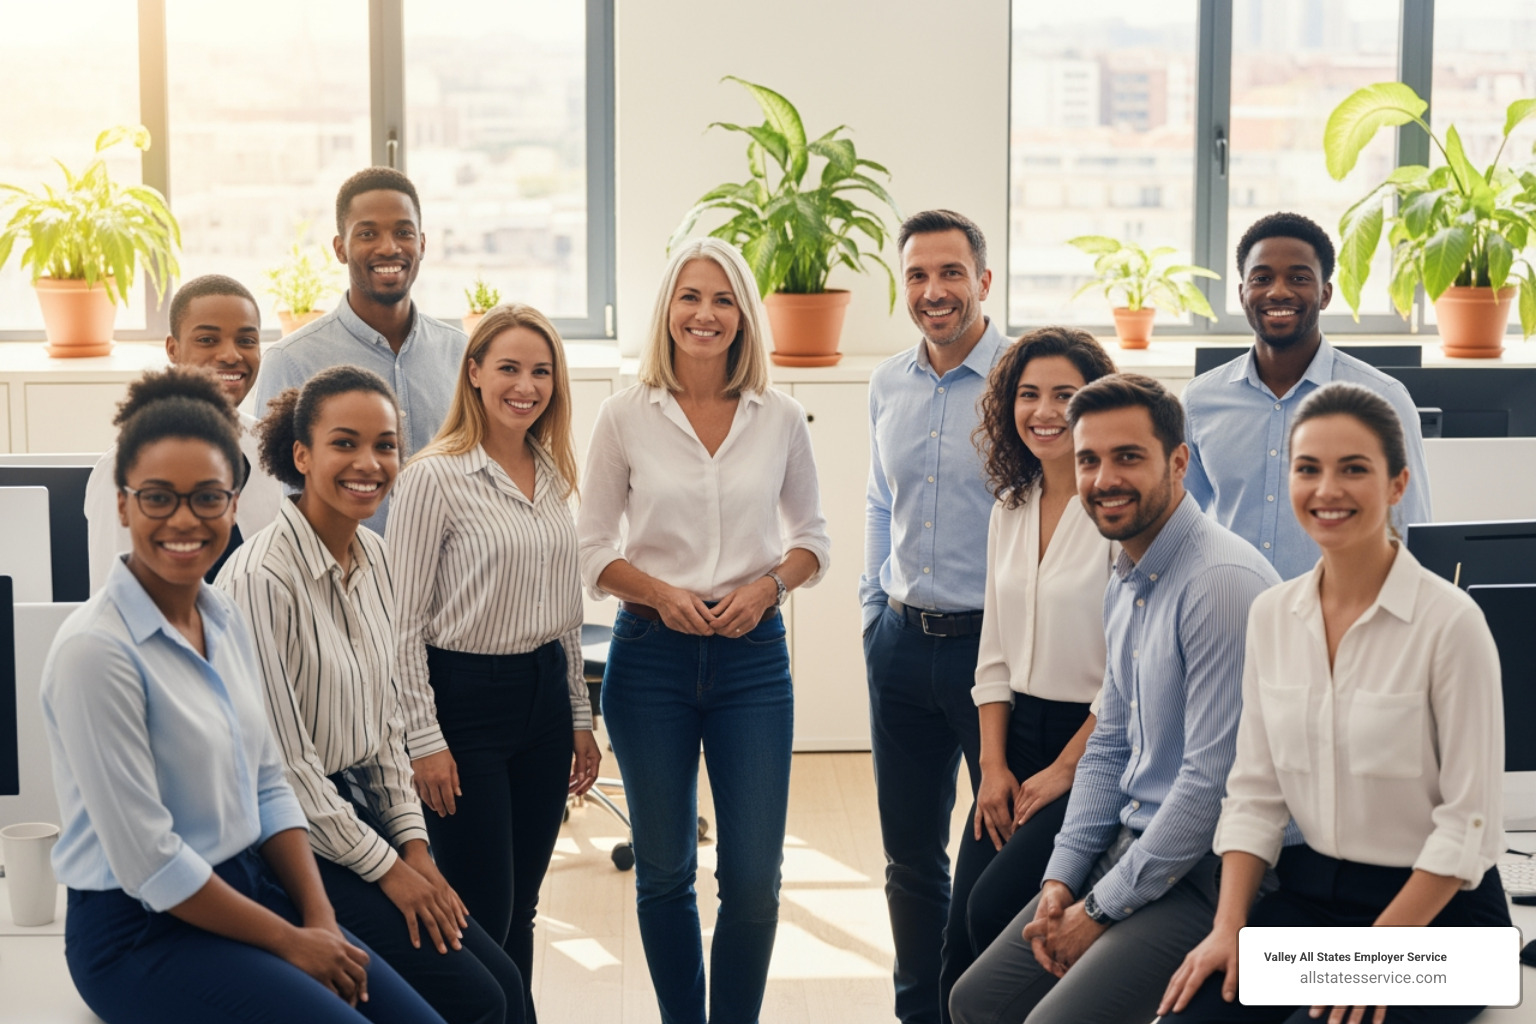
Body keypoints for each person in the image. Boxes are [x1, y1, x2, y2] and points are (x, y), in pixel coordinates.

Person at [41, 366, 443, 1024]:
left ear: (233, 505)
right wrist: (294, 942)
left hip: (251, 890)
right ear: (122, 504)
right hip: (142, 931)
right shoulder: (97, 652)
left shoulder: (220, 617)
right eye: (157, 497)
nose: (184, 519)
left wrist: (320, 919)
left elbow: (268, 784)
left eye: (207, 497)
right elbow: (152, 864)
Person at [1159, 382, 1508, 1024]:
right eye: (1308, 469)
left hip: (1441, 923)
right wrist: (1228, 926)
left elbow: (1469, 826)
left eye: (1354, 469)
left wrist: (1379, 952)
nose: (1327, 491)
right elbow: (1256, 794)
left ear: (1397, 484)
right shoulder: (1272, 616)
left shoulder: (1451, 624)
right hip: (1312, 899)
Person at [948, 374, 1282, 1024]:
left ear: (1178, 462)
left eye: (1128, 456)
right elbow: (1109, 748)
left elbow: (1206, 788)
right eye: (1089, 460)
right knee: (977, 1002)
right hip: (1139, 844)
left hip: (1209, 870)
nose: (1104, 479)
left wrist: (1097, 910)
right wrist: (1060, 883)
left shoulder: (1218, 583)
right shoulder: (1128, 574)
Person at [217, 366, 524, 1024]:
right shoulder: (261, 580)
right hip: (285, 840)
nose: (369, 462)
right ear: (300, 455)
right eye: (345, 443)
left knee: (506, 982)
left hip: (361, 820)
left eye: (385, 445)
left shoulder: (378, 558)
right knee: (478, 1002)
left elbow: (383, 728)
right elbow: (285, 769)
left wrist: (414, 847)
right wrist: (389, 870)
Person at [576, 237, 830, 1024]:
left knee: (754, 877)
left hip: (753, 662)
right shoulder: (625, 416)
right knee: (664, 871)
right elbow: (590, 549)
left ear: (745, 316)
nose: (705, 314)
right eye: (690, 297)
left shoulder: (781, 416)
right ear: (667, 310)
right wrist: (657, 592)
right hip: (650, 658)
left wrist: (767, 588)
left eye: (723, 300)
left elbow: (813, 540)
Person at [386, 303, 600, 1023]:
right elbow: (400, 625)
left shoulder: (549, 469)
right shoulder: (432, 477)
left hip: (542, 695)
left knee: (524, 909)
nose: (526, 385)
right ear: (473, 373)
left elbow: (564, 610)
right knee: (479, 916)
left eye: (541, 372)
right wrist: (425, 740)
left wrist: (578, 716)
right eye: (508, 368)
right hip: (463, 702)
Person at [939, 328, 1119, 1013]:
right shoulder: (1009, 508)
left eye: (1065, 396)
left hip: (1094, 746)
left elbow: (1127, 676)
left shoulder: (1117, 514)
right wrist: (991, 766)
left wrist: (1068, 768)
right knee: (962, 935)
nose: (1044, 411)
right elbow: (994, 653)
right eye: (1028, 394)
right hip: (1011, 739)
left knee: (1000, 912)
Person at [861, 208, 1007, 1024]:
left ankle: (980, 1006)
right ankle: (919, 1011)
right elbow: (881, 499)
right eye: (917, 275)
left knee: (994, 856)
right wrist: (870, 608)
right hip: (902, 643)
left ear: (983, 282)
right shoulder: (888, 382)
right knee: (910, 859)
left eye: (951, 273)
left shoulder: (1027, 379)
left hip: (996, 652)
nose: (934, 291)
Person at [1182, 211, 1431, 580]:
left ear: (1325, 293)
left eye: (1298, 278)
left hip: (1342, 620)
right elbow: (1182, 528)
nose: (1278, 291)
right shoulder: (1200, 401)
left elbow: (1411, 535)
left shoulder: (1383, 399)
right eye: (1262, 278)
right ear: (1243, 293)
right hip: (1232, 617)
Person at [256, 167, 464, 533]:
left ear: (423, 244)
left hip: (453, 582)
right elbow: (276, 502)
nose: (389, 247)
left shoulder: (461, 354)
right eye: (368, 234)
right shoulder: (291, 361)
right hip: (339, 583)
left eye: (403, 232)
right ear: (340, 248)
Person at [85, 274, 284, 592]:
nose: (231, 355)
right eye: (208, 340)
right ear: (173, 349)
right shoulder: (124, 466)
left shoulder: (265, 447)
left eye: (246, 340)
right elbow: (113, 601)